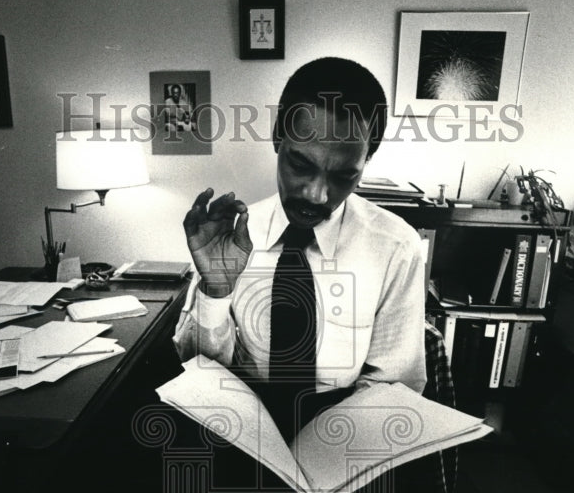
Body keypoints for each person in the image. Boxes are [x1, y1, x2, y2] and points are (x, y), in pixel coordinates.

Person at [173, 57, 427, 439]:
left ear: (367, 161)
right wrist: (215, 291)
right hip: (238, 430)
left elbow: (394, 387)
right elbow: (196, 371)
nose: (317, 194)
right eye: (300, 164)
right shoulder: (227, 237)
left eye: (344, 176)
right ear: (278, 137)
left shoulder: (396, 247)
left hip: (346, 436)